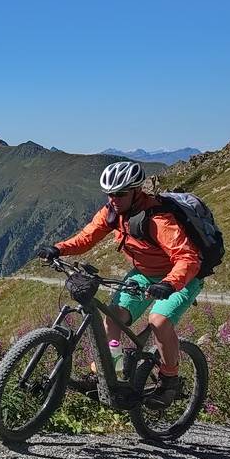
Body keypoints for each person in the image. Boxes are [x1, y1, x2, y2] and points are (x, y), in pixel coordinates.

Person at [37, 160, 202, 408]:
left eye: (120, 193)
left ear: (136, 191)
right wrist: (59, 248)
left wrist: (170, 283)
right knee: (112, 317)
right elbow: (87, 237)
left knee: (159, 321)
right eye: (110, 194)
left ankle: (170, 381)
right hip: (143, 274)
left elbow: (187, 257)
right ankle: (105, 375)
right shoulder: (112, 213)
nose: (114, 198)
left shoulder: (159, 219)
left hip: (181, 278)